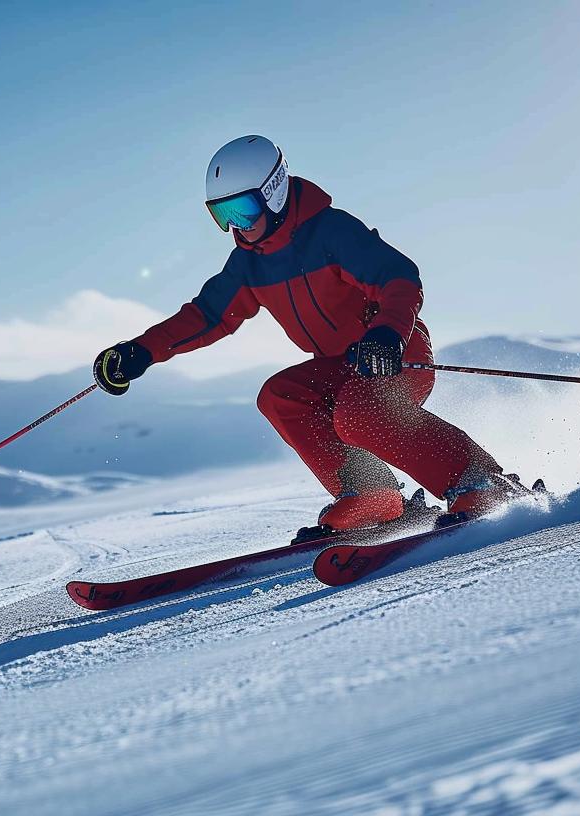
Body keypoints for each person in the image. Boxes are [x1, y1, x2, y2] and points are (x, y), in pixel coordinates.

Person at [93, 135, 520, 541]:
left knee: (359, 412)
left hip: (394, 350)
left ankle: (481, 481)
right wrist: (141, 351)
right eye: (223, 215)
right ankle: (373, 496)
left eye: (243, 209)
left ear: (274, 191)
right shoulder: (248, 263)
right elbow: (206, 316)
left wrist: (387, 332)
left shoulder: (329, 232)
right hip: (341, 364)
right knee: (281, 396)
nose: (237, 227)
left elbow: (399, 278)